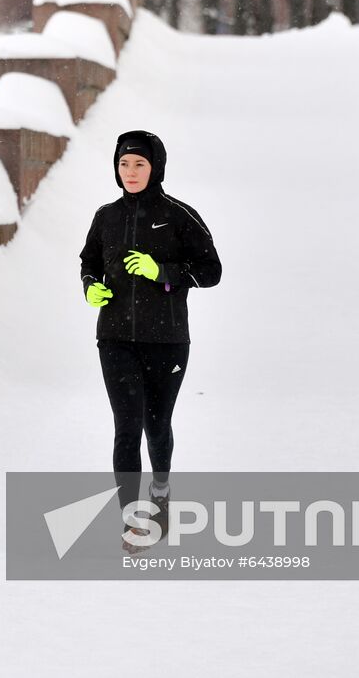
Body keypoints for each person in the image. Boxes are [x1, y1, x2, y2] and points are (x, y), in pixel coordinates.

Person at [79, 130, 222, 553]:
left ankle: (161, 492)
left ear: (155, 167)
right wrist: (90, 286)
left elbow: (211, 271)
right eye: (124, 164)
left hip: (168, 340)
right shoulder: (106, 216)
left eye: (139, 164)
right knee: (127, 428)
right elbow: (88, 260)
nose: (131, 172)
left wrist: (163, 272)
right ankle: (133, 523)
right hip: (115, 337)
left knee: (156, 426)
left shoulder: (179, 215)